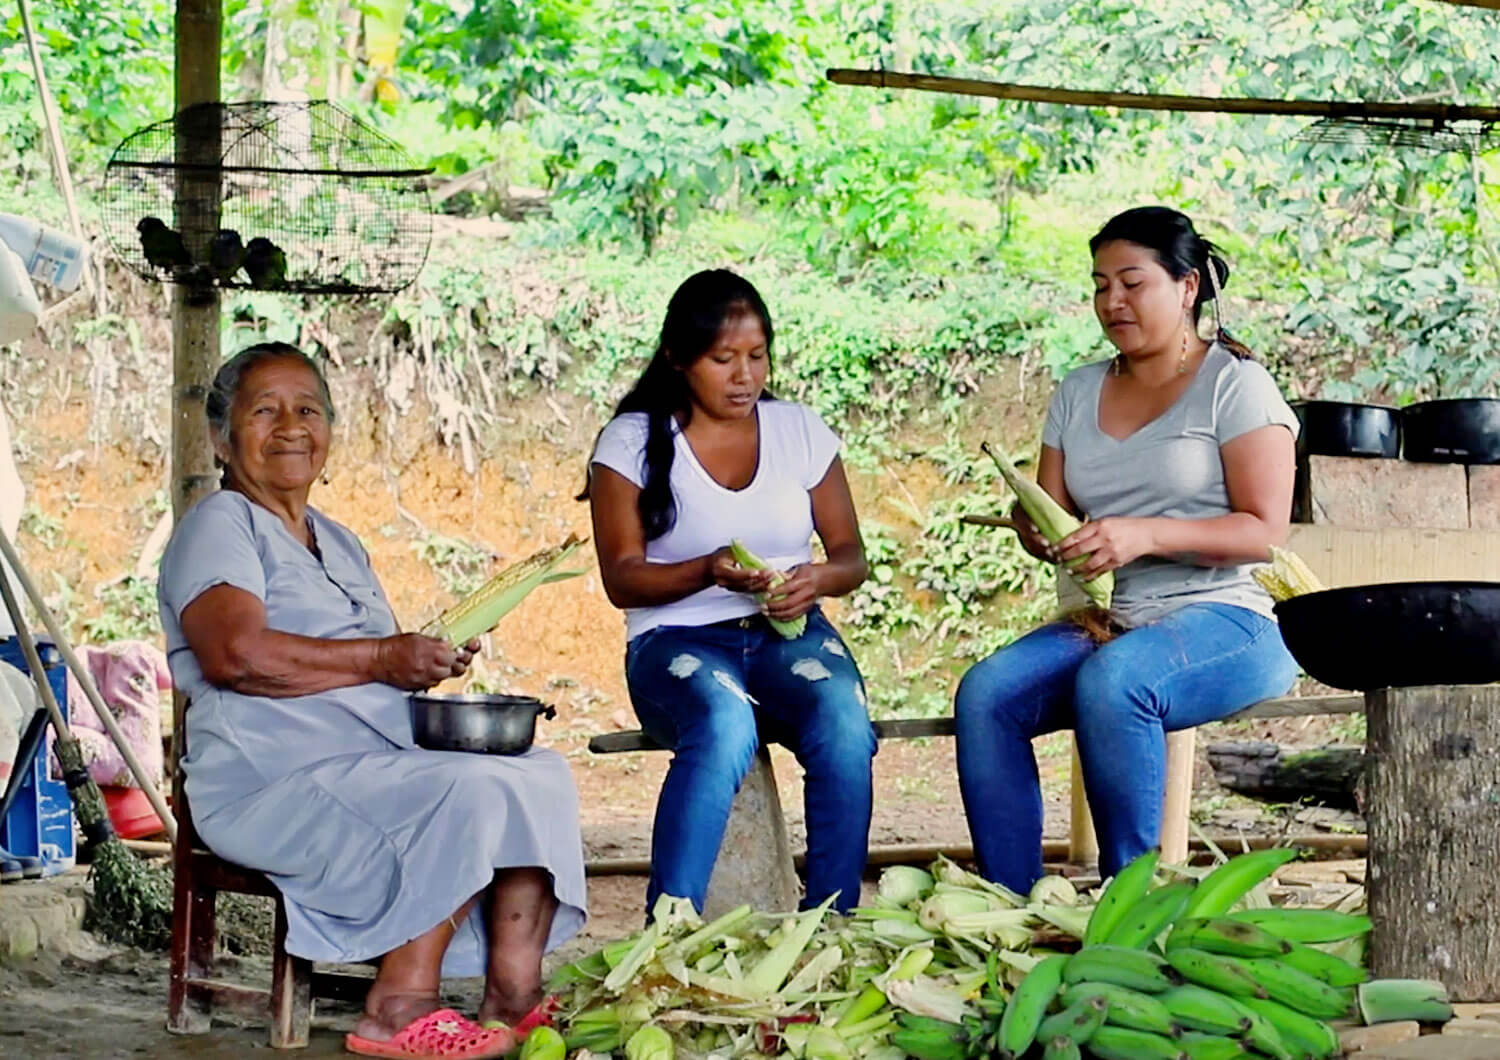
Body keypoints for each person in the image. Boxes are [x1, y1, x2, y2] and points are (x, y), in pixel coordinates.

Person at [157, 342, 586, 1060]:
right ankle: (399, 1003)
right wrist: (387, 656)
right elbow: (234, 654)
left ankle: (513, 997)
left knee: (538, 773)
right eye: (265, 410)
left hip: (370, 765)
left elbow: (364, 670)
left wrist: (424, 662)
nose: (291, 426)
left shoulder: (341, 542)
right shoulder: (219, 525)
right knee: (466, 790)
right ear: (221, 437)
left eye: (309, 409)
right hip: (268, 781)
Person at [955, 207, 1300, 893]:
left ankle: (1131, 903)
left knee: (1117, 682)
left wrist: (1143, 533)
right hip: (1116, 621)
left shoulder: (1235, 384)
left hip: (1230, 618)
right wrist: (1040, 535)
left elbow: (1264, 531)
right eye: (1099, 284)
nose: (1111, 301)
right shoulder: (1078, 392)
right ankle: (1013, 905)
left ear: (1187, 286)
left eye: (1132, 282)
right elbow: (1053, 518)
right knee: (987, 694)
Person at [584, 269, 875, 915]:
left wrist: (814, 580)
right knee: (722, 723)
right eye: (724, 360)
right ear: (679, 359)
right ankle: (672, 928)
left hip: (788, 636)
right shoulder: (632, 441)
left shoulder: (798, 430)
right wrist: (706, 569)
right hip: (674, 644)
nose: (744, 375)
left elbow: (851, 558)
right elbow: (621, 579)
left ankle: (833, 923)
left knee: (845, 724)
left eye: (757, 356)